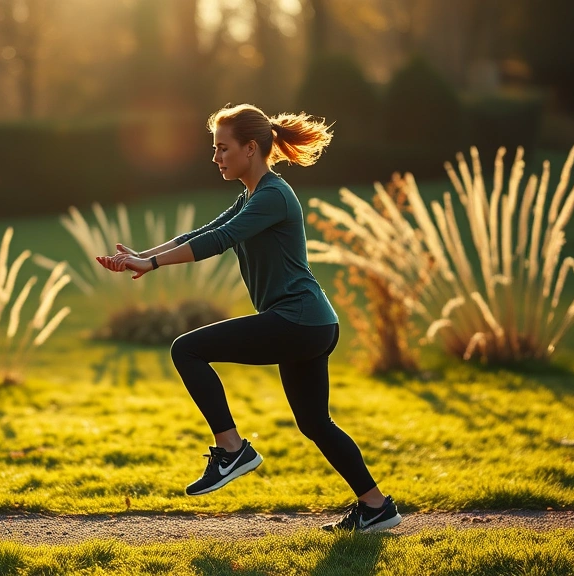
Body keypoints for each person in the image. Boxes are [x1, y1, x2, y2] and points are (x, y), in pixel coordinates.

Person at [95, 103, 402, 532]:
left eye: (223, 148)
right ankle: (375, 507)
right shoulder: (253, 196)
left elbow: (220, 240)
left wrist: (155, 265)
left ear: (250, 148)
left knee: (187, 349)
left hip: (298, 320)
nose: (215, 157)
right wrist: (141, 257)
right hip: (310, 323)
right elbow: (200, 233)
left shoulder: (273, 195)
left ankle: (231, 450)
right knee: (315, 423)